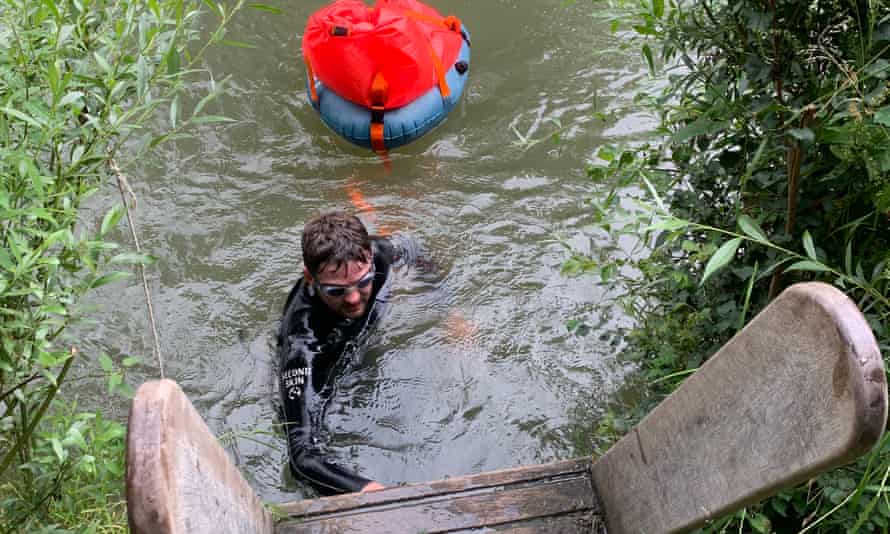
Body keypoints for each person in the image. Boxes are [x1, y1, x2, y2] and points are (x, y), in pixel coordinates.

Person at [276, 211, 417, 495]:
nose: (353, 298)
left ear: (368, 257)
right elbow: (302, 458)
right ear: (310, 277)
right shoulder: (301, 345)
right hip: (327, 357)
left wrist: (453, 314)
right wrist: (368, 491)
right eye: (336, 290)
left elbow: (413, 247)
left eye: (363, 282)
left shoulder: (375, 253)